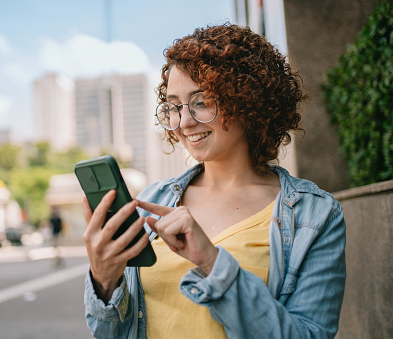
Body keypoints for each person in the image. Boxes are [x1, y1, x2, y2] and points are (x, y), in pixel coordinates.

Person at [83, 23, 346, 339]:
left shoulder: (314, 215)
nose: (184, 122)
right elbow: (108, 332)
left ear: (247, 100)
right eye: (174, 106)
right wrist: (103, 281)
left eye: (201, 101)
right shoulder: (152, 201)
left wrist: (212, 262)